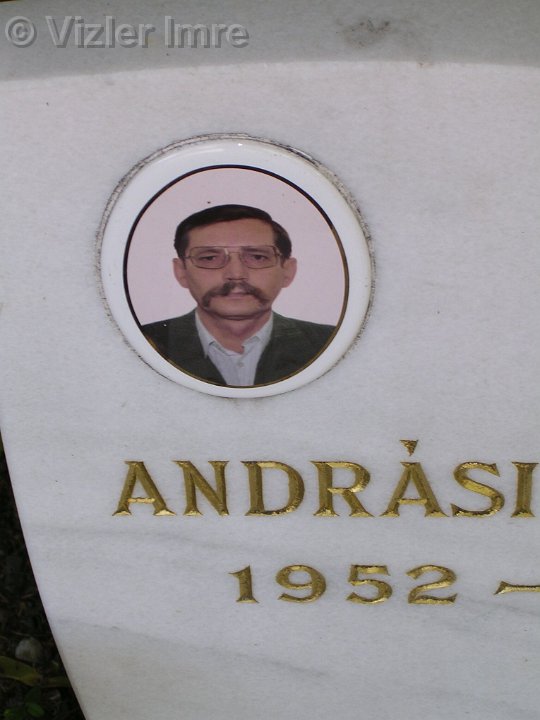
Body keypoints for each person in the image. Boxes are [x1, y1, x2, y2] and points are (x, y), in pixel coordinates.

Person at [141, 204, 335, 386]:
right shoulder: (141, 345)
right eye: (209, 258)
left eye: (257, 257)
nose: (236, 274)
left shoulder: (331, 344)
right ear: (181, 272)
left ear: (287, 271)